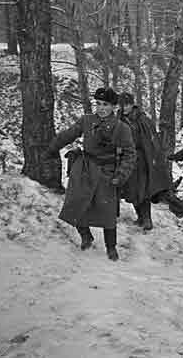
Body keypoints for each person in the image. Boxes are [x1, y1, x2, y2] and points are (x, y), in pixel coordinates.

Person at [46, 87, 136, 261]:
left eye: (106, 105)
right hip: (85, 168)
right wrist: (52, 148)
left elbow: (130, 153)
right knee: (78, 204)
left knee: (107, 211)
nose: (101, 108)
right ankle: (86, 236)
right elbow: (68, 135)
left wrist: (121, 175)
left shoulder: (122, 128)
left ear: (114, 107)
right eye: (98, 104)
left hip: (107, 172)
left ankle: (111, 248)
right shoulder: (87, 120)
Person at [118, 93, 183, 231]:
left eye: (126, 104)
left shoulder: (142, 119)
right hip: (126, 159)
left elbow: (151, 142)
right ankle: (140, 217)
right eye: (121, 105)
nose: (124, 107)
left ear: (132, 104)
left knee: (142, 191)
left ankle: (147, 220)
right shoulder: (119, 118)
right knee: (132, 191)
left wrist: (154, 159)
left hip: (142, 160)